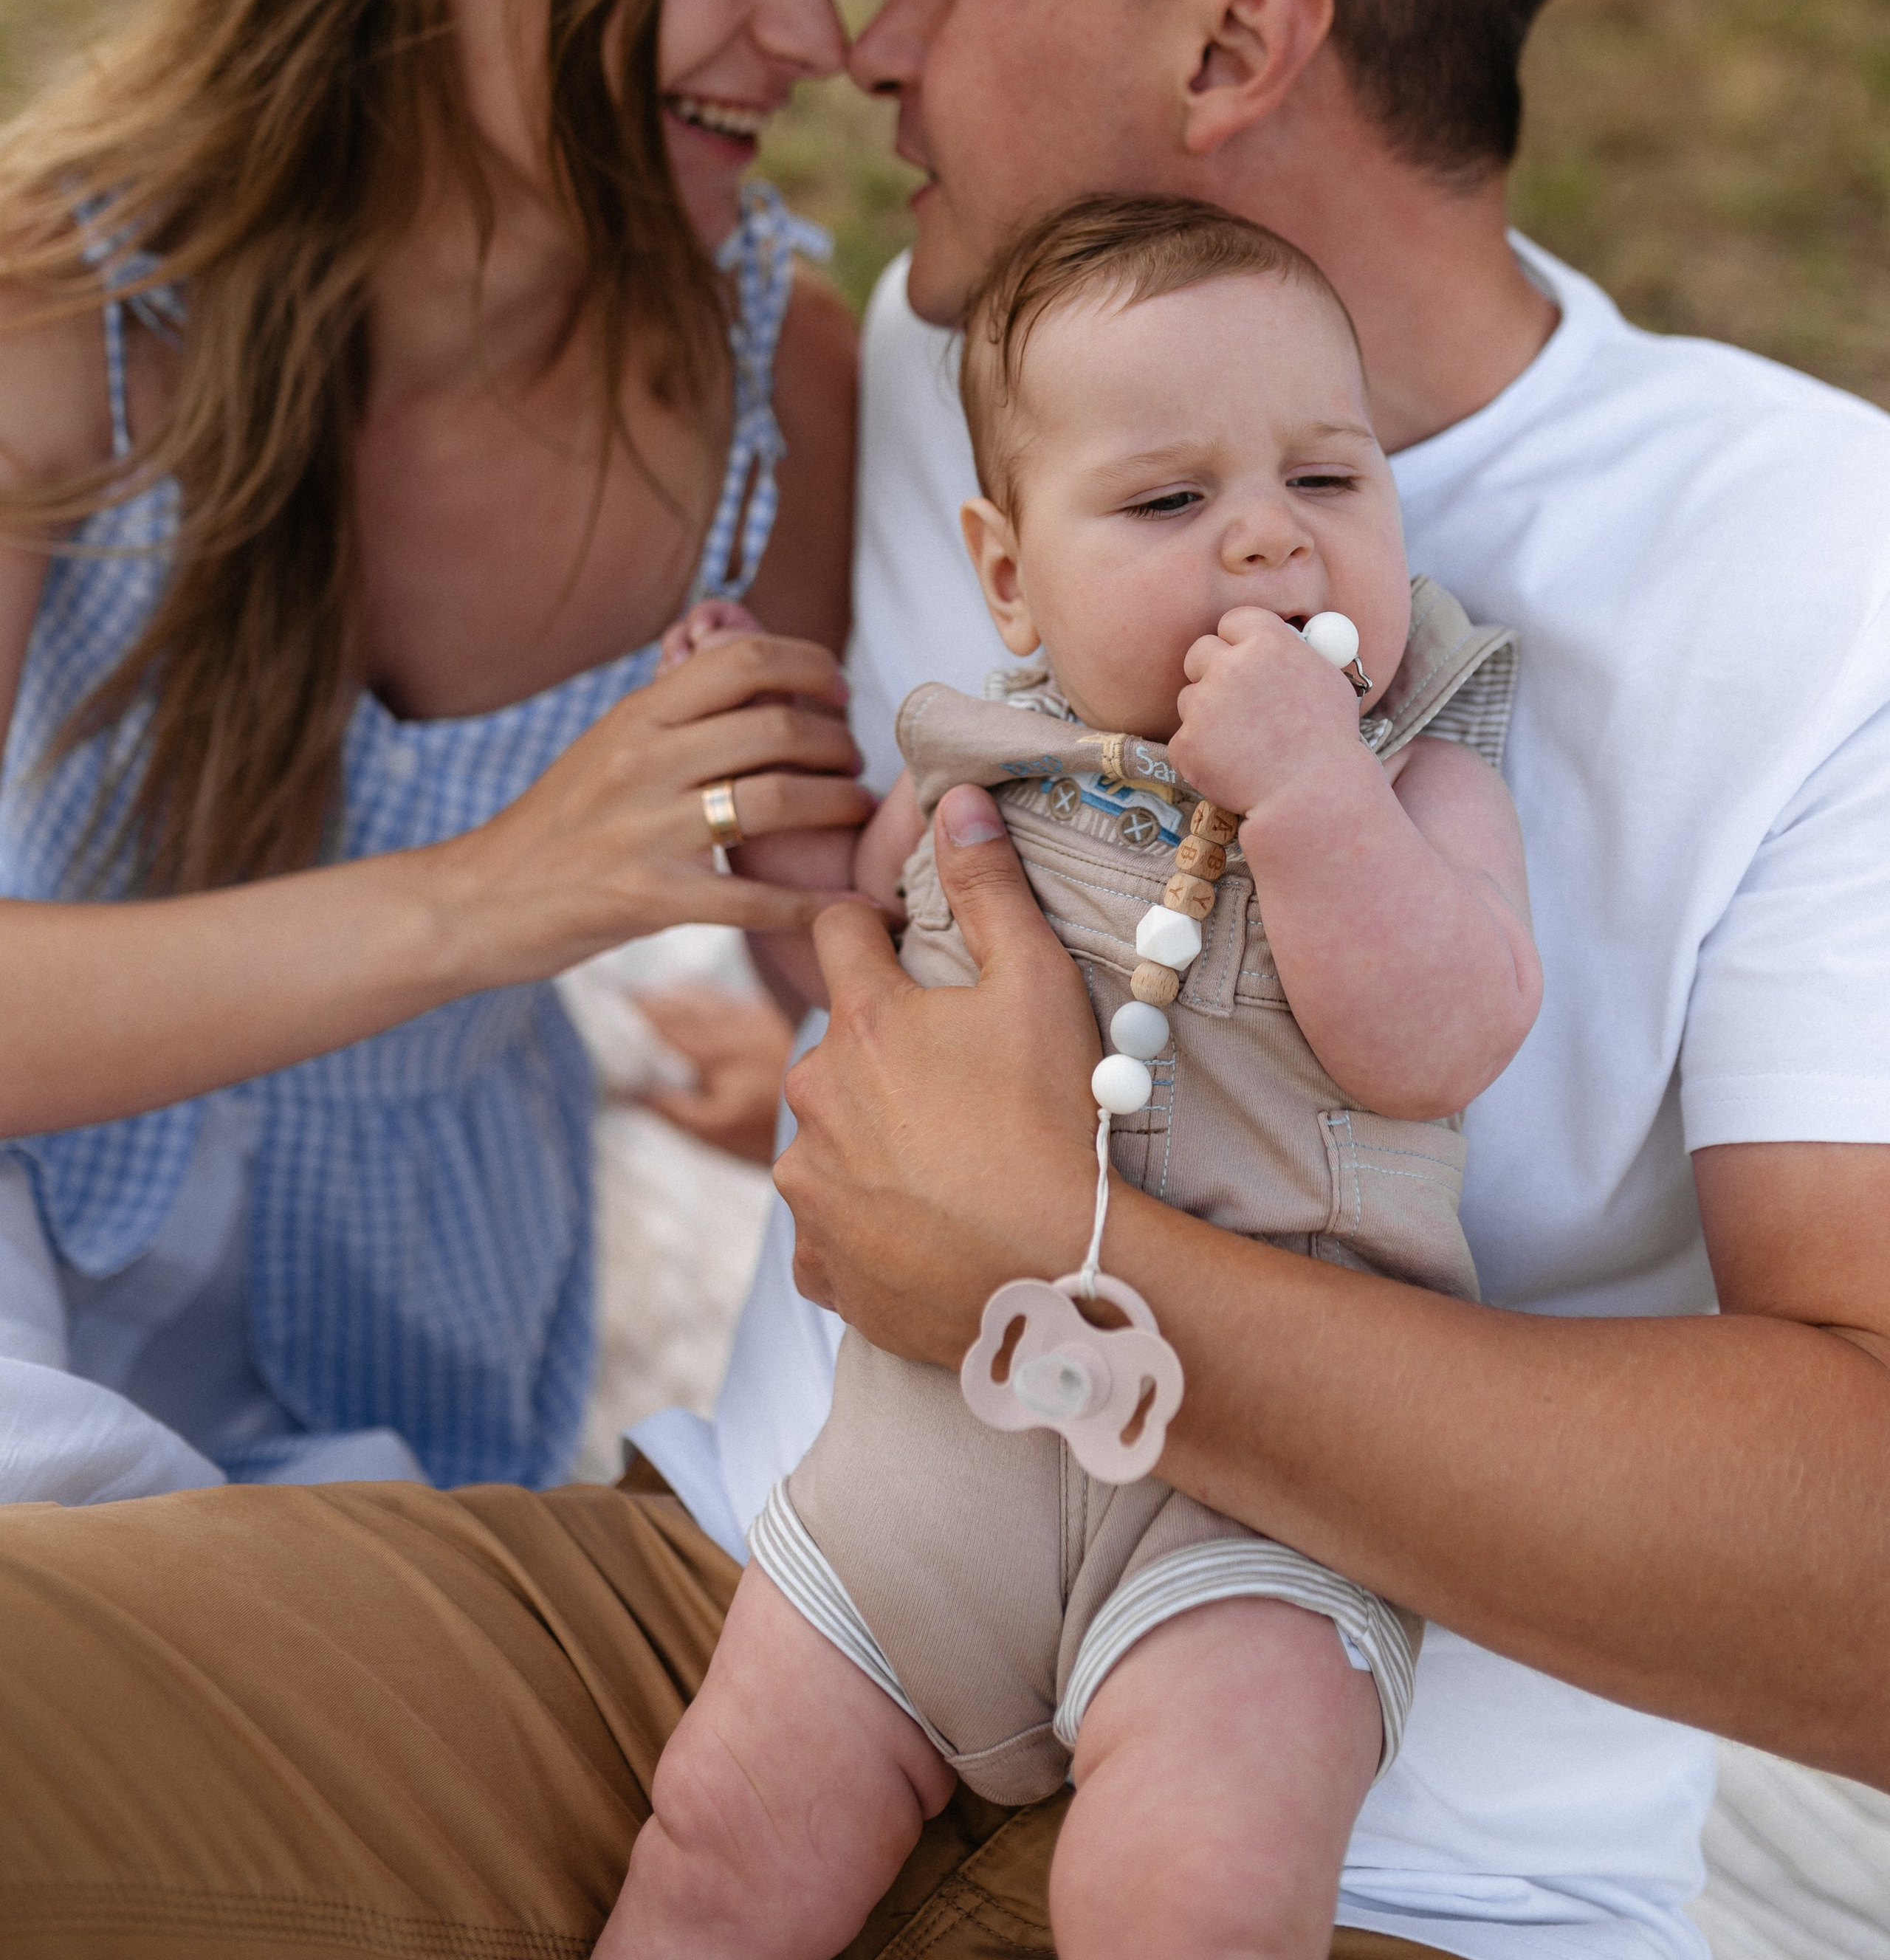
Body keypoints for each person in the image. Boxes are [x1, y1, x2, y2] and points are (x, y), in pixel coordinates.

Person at [2, 0, 1887, 1960]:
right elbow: (410, 266)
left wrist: (1070, 1250)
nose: (860, 46)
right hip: (730, 1613)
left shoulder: (1825, 575)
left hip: (1362, 1834)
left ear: (1237, 45)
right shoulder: (915, 371)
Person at [0, 0, 873, 1502]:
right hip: (31, 1243)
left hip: (431, 1321)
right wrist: (495, 899)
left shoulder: (772, 395)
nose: (813, 34)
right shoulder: (65, 318)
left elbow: (807, 937)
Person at [616, 193, 1539, 1960]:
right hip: (919, 1463)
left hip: (1255, 1491)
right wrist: (745, 767)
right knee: (719, 1843)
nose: (1268, 544)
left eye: (1327, 483)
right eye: (1170, 500)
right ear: (1010, 571)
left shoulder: (1417, 772)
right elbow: (847, 943)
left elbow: (1443, 1035)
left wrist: (1309, 792)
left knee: (1183, 1892)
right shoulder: (983, 753)